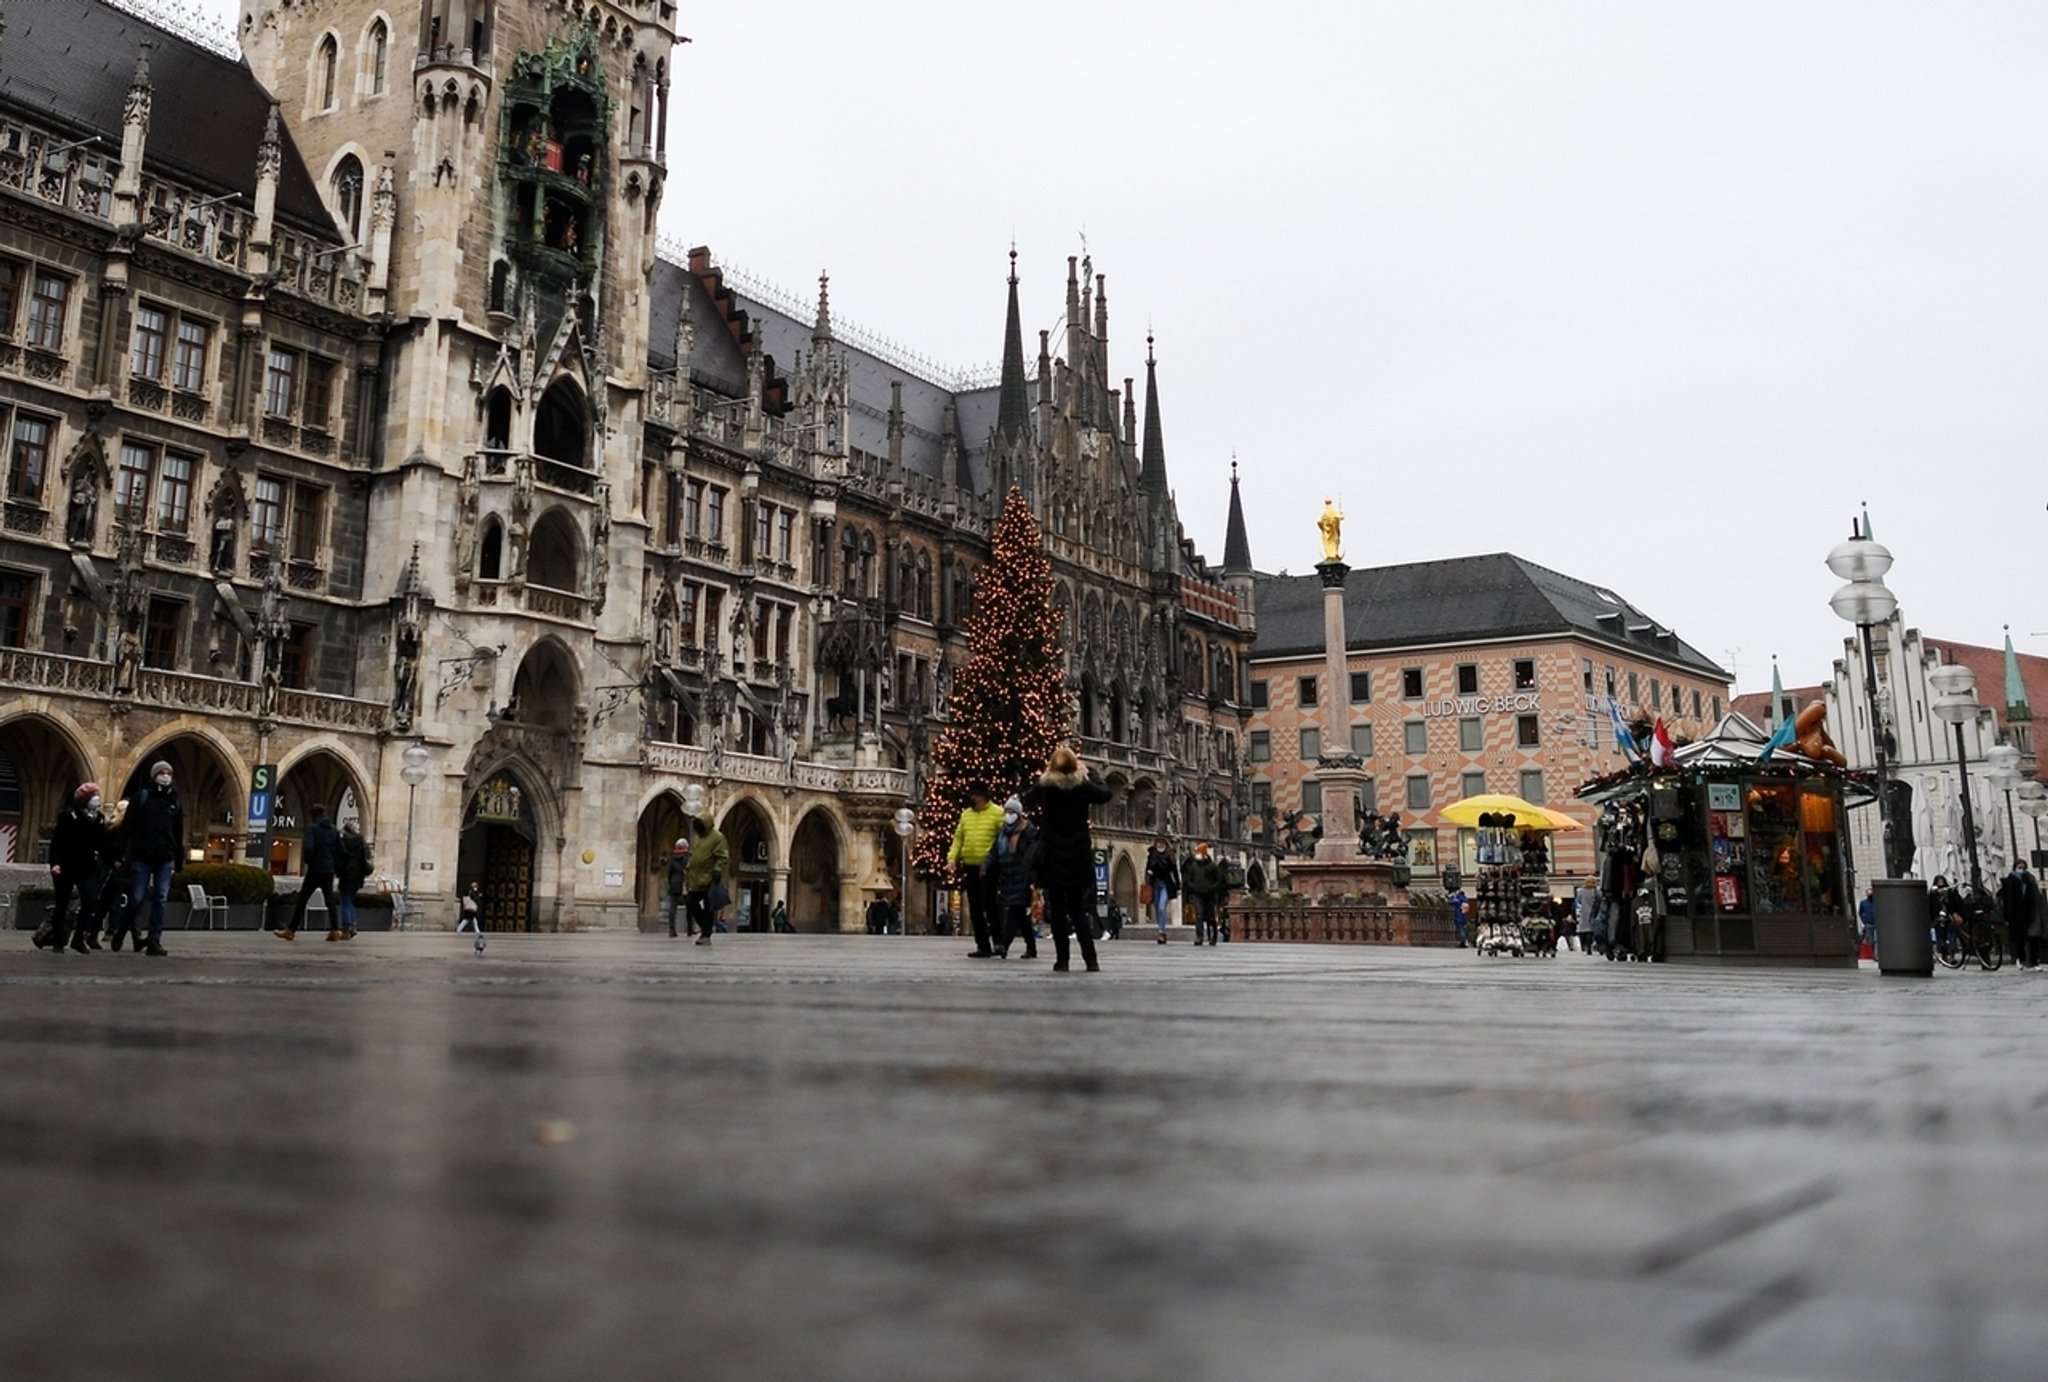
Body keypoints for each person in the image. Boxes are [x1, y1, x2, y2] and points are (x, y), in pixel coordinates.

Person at [1021, 746, 1112, 973]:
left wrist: (1043, 777)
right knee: (1078, 908)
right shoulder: (1082, 786)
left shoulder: (1047, 786)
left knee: (1058, 909)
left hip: (1052, 852)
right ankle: (1091, 960)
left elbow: (1026, 800)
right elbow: (1105, 793)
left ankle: (1062, 960)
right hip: (1077, 852)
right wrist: (1091, 774)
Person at [37, 783, 108, 954]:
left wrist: (114, 859)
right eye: (93, 796)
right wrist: (55, 863)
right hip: (67, 866)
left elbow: (102, 843)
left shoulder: (98, 818)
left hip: (87, 866)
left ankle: (78, 938)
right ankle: (59, 940)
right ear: (85, 799)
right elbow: (58, 841)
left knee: (90, 900)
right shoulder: (69, 815)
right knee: (62, 902)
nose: (96, 799)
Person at [124, 760, 183, 958]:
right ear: (154, 775)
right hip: (142, 856)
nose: (166, 776)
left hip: (165, 857)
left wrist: (178, 857)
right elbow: (128, 827)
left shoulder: (175, 800)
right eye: (162, 772)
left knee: (161, 898)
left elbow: (178, 831)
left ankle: (154, 939)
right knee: (137, 898)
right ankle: (126, 928)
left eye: (169, 773)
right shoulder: (142, 797)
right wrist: (125, 855)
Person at [948, 783, 1006, 958]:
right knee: (975, 906)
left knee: (990, 904)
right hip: (970, 865)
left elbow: (1001, 839)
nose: (971, 798)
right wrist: (952, 858)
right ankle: (982, 945)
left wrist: (995, 859)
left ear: (983, 796)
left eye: (974, 795)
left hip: (989, 866)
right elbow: (958, 838)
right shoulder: (966, 815)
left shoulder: (997, 813)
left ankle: (998, 942)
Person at [279, 804, 342, 941]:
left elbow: (308, 848)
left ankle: (291, 930)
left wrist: (309, 861)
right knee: (330, 900)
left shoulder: (313, 828)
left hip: (315, 869)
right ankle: (335, 930)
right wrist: (334, 865)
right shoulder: (334, 830)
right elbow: (340, 850)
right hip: (328, 870)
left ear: (313, 815)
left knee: (303, 900)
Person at [992, 795, 1040, 960]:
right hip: (1007, 876)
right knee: (1019, 913)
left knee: (1014, 910)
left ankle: (1004, 945)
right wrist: (986, 867)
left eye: (1012, 811)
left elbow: (1033, 855)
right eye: (1006, 811)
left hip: (1022, 876)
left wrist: (1032, 877)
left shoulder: (1028, 830)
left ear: (1019, 813)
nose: (1008, 814)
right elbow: (994, 853)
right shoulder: (1002, 832)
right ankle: (1031, 948)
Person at [683, 809, 729, 945]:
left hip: (709, 878)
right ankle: (705, 928)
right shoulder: (698, 838)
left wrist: (717, 870)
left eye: (700, 824)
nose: (698, 827)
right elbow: (695, 855)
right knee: (691, 902)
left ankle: (706, 934)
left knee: (709, 907)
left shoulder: (717, 837)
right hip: (695, 878)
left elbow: (722, 856)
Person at [1998, 862, 2042, 970]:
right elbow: (2008, 899)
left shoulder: (2029, 879)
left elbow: (2034, 896)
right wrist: (2008, 915)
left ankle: (2034, 962)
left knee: (2033, 938)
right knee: (2020, 939)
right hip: (2016, 914)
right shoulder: (2011, 880)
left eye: (2023, 868)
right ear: (2015, 868)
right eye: (2019, 867)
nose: (2021, 870)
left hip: (2029, 913)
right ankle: (2020, 959)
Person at [1181, 842, 1224, 946]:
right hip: (1197, 894)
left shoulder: (1212, 866)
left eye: (1199, 852)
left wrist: (1212, 887)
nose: (1197, 855)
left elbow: (1219, 879)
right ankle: (1199, 936)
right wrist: (1192, 887)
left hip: (1210, 894)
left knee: (1211, 916)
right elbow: (1188, 879)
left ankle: (1213, 936)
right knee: (1199, 914)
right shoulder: (1194, 866)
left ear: (1204, 853)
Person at [335, 820, 370, 941]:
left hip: (346, 874)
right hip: (358, 876)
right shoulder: (361, 841)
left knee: (345, 901)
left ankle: (346, 928)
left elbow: (339, 860)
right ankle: (353, 924)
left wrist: (338, 872)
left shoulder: (343, 842)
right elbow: (366, 859)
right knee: (350, 901)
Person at [1144, 835, 1178, 944]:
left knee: (1161, 908)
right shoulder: (1152, 855)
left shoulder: (1169, 855)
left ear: (1165, 844)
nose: (1160, 845)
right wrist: (1148, 874)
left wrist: (1177, 885)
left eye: (1162, 843)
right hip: (1155, 884)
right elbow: (1148, 867)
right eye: (1158, 843)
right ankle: (1161, 928)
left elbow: (1174, 871)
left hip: (1165, 884)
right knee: (1157, 909)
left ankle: (1161, 932)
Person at [665, 835, 690, 938]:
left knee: (673, 907)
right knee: (690, 907)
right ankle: (690, 929)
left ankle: (671, 929)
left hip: (675, 883)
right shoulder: (688, 856)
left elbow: (669, 872)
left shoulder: (672, 857)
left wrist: (671, 882)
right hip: (686, 883)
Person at [1857, 885, 1877, 953]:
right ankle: (1874, 953)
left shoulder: (1876, 902)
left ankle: (1876, 954)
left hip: (1877, 923)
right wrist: (1864, 921)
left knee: (1877, 940)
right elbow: (1860, 912)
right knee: (1871, 940)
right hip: (1869, 924)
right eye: (1868, 893)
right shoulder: (1863, 903)